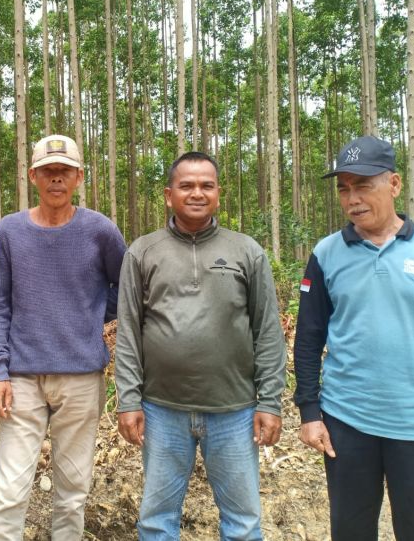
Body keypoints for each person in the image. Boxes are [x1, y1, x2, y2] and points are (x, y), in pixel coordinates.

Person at [294, 135, 414, 541]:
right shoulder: (326, 254)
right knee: (351, 531)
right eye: (344, 188)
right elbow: (308, 339)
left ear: (394, 184)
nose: (352, 199)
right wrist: (309, 411)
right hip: (346, 422)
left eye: (363, 185)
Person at [115, 151, 286, 541]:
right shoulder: (142, 252)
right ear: (168, 194)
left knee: (242, 523)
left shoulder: (246, 251)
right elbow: (128, 332)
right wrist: (128, 399)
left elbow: (268, 331)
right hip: (161, 410)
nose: (197, 193)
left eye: (206, 185)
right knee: (157, 520)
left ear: (218, 193)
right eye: (186, 185)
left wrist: (270, 402)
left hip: (235, 410)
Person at [0, 134, 127, 540]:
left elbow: (126, 284)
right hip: (22, 377)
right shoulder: (9, 232)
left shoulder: (100, 230)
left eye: (65, 171)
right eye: (48, 171)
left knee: (72, 494)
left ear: (79, 177)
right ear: (33, 176)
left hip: (80, 377)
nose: (56, 179)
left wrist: (96, 311)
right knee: (9, 491)